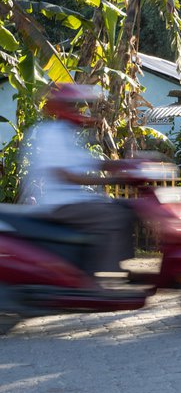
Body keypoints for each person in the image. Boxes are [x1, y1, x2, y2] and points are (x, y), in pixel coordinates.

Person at [19, 84, 135, 277]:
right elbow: (64, 175)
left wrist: (131, 164)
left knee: (126, 207)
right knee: (112, 215)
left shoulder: (66, 134)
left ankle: (115, 268)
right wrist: (108, 182)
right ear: (59, 108)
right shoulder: (50, 133)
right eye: (71, 106)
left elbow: (90, 163)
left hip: (73, 201)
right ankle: (92, 278)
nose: (76, 110)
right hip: (58, 204)